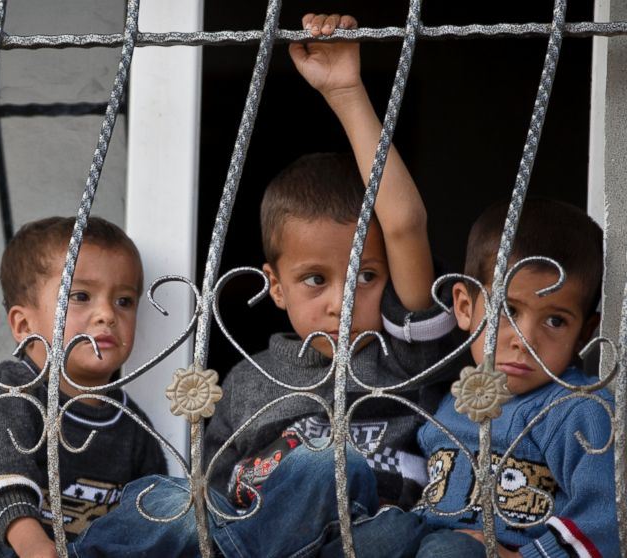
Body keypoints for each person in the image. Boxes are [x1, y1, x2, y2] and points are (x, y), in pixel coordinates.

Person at [69, 12, 460, 558]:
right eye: (315, 280)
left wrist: (347, 94)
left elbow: (404, 224)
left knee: (350, 484)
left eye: (366, 276)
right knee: (160, 498)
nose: (341, 302)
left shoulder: (404, 361)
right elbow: (211, 496)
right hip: (255, 534)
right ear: (274, 287)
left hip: (360, 539)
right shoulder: (249, 382)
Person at [335, 199, 627, 558]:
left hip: (494, 550)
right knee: (385, 531)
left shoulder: (579, 410)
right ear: (465, 306)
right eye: (508, 310)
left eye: (555, 321)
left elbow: (614, 517)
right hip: (429, 538)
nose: (525, 339)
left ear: (583, 334)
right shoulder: (451, 400)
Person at [0, 217, 167, 558]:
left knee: (166, 508)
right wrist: (34, 545)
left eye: (124, 301)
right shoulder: (12, 389)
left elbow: (146, 521)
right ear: (24, 325)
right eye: (81, 296)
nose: (107, 314)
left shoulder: (133, 427)